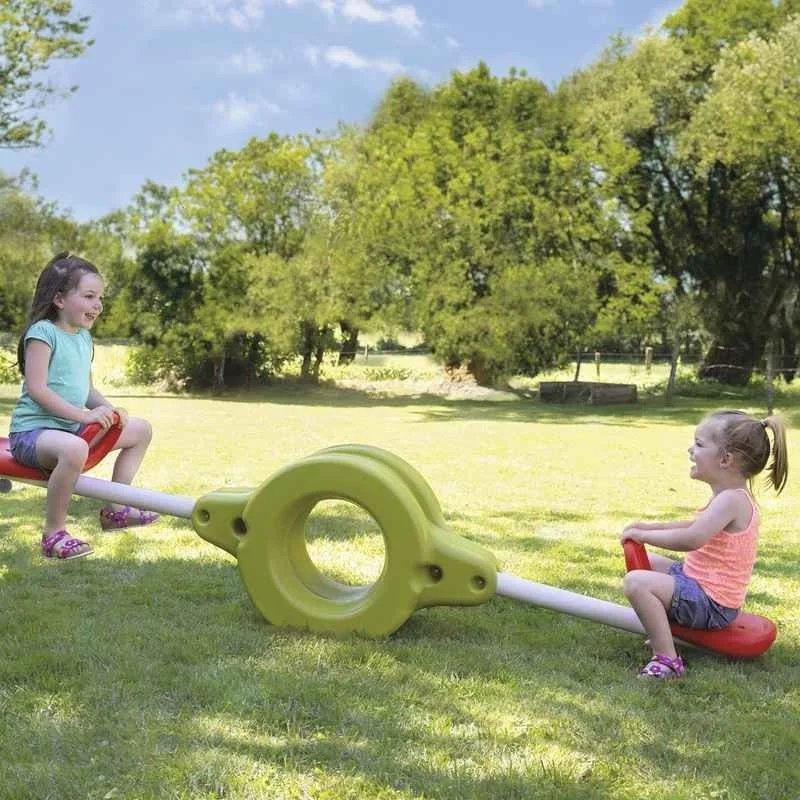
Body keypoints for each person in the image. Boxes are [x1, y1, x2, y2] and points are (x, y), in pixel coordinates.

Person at [8, 253, 159, 561]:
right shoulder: (43, 333)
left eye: (100, 298)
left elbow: (86, 389)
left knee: (141, 429)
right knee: (75, 448)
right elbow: (38, 390)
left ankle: (116, 511)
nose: (98, 305)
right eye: (89, 296)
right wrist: (84, 416)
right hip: (32, 434)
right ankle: (53, 534)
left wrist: (110, 409)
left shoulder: (83, 338)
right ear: (60, 299)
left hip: (70, 430)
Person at [621, 409, 788, 679]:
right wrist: (648, 528)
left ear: (725, 459)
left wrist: (645, 537)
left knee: (637, 582)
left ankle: (667, 659)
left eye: (699, 444)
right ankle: (663, 626)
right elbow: (691, 526)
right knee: (648, 564)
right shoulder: (728, 496)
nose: (690, 450)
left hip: (712, 604)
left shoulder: (732, 500)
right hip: (697, 583)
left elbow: (691, 539)